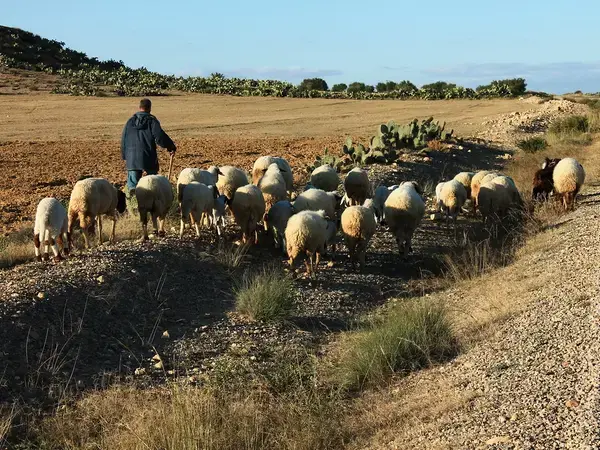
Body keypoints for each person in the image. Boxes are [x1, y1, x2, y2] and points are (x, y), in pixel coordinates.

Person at [120, 98, 176, 196]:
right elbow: (159, 136)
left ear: (139, 107)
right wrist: (170, 147)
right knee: (152, 183)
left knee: (132, 185)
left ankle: (134, 207)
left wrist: (125, 155)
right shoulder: (152, 121)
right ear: (149, 108)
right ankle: (150, 203)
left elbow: (123, 139)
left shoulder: (130, 121)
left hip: (132, 158)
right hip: (148, 156)